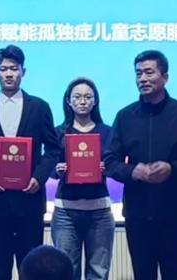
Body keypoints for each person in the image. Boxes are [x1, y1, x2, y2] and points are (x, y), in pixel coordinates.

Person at [103, 50, 177, 280]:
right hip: (138, 215)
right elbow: (110, 161)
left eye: (149, 72)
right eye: (138, 73)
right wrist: (132, 171)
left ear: (165, 77)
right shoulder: (125, 116)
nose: (143, 78)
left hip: (175, 214)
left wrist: (172, 169)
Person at [0, 45, 60, 280]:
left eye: (14, 68)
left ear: (23, 72)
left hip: (29, 199)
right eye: (3, 69)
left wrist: (39, 177)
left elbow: (53, 149)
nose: (8, 74)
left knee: (32, 267)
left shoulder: (39, 107)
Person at [51, 77, 115, 280]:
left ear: (95, 101)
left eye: (88, 97)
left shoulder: (108, 132)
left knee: (98, 272)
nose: (82, 101)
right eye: (77, 97)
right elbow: (48, 166)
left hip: (100, 211)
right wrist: (57, 170)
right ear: (68, 101)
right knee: (66, 271)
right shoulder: (58, 132)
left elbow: (116, 164)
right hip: (65, 212)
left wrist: (107, 168)